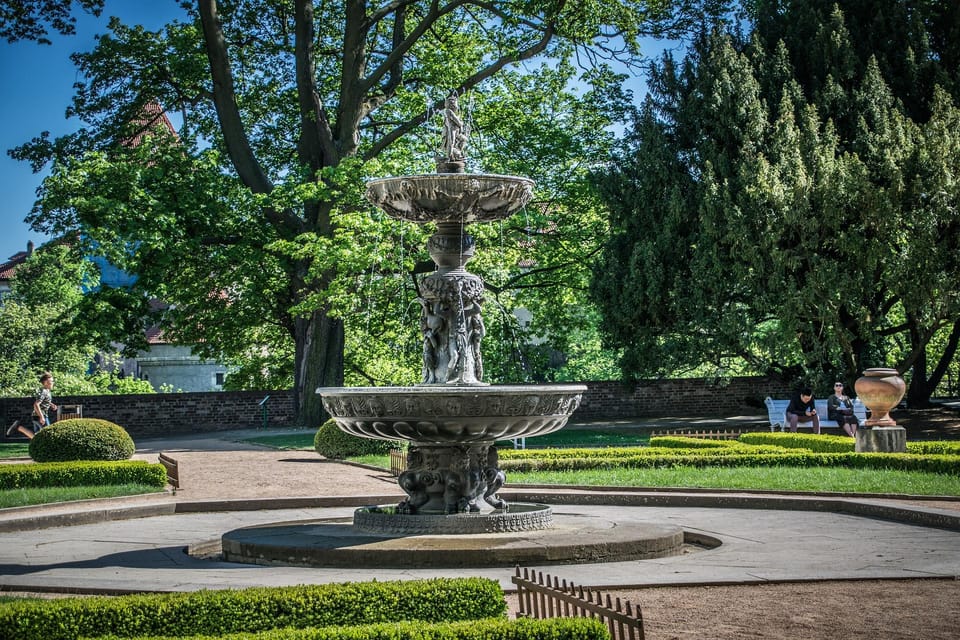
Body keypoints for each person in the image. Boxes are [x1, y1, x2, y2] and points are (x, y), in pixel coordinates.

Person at [6, 372, 58, 440]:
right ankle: (19, 427)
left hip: (39, 415)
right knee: (47, 435)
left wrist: (51, 404)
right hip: (40, 415)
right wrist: (41, 417)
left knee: (37, 436)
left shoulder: (47, 391)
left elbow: (44, 401)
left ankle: (19, 427)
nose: (53, 383)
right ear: (45, 382)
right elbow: (36, 404)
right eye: (51, 381)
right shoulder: (43, 391)